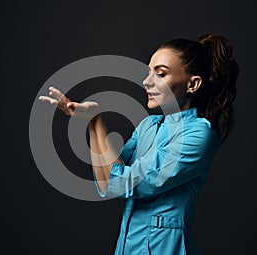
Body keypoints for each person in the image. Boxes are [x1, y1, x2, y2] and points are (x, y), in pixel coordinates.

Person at [39, 34, 239, 254]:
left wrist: (97, 122)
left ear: (193, 84)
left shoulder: (199, 134)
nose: (146, 81)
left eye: (160, 73)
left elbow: (124, 183)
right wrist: (92, 122)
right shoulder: (148, 125)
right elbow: (107, 184)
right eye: (148, 72)